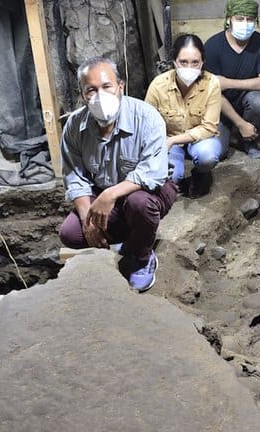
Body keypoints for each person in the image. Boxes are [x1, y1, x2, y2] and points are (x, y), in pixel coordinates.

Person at [59, 56, 177, 292]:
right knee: (70, 233)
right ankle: (131, 238)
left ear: (120, 86)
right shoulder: (74, 125)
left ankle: (143, 257)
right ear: (83, 94)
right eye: (91, 90)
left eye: (106, 86)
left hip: (147, 191)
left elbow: (153, 173)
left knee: (139, 204)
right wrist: (87, 220)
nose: (99, 95)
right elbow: (75, 174)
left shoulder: (146, 117)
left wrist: (110, 195)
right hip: (104, 194)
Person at [145, 34, 222, 197]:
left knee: (208, 156)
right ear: (174, 62)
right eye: (183, 62)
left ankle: (201, 174)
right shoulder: (158, 85)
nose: (189, 67)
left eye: (195, 62)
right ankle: (177, 181)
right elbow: (146, 124)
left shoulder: (212, 83)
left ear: (203, 62)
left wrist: (173, 140)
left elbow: (209, 127)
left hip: (200, 139)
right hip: (167, 141)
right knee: (173, 176)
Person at [205, 0, 260, 159]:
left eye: (250, 19)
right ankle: (236, 128)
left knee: (258, 100)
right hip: (219, 106)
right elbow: (214, 92)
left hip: (246, 100)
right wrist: (240, 123)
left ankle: (248, 142)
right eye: (240, 18)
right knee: (218, 154)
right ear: (229, 19)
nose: (245, 23)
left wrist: (227, 82)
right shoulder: (213, 46)